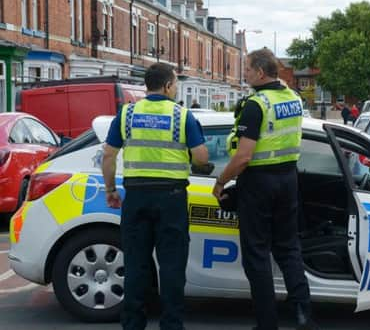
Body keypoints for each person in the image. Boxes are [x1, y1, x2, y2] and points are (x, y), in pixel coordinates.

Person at [213, 48, 318, 330]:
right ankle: (303, 315)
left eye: (247, 69)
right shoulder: (292, 99)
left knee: (257, 254)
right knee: (288, 249)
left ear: (260, 72)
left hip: (259, 183)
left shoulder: (256, 104)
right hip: (288, 179)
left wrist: (221, 181)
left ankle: (266, 324)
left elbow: (244, 156)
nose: (244, 73)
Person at [101, 62, 208, 330]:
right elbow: (202, 157)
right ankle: (172, 325)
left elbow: (108, 155)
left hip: (136, 196)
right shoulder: (182, 116)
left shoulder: (126, 114)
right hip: (171, 198)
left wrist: (111, 189)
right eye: (176, 84)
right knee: (172, 267)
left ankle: (133, 324)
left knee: (136, 266)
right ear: (169, 85)